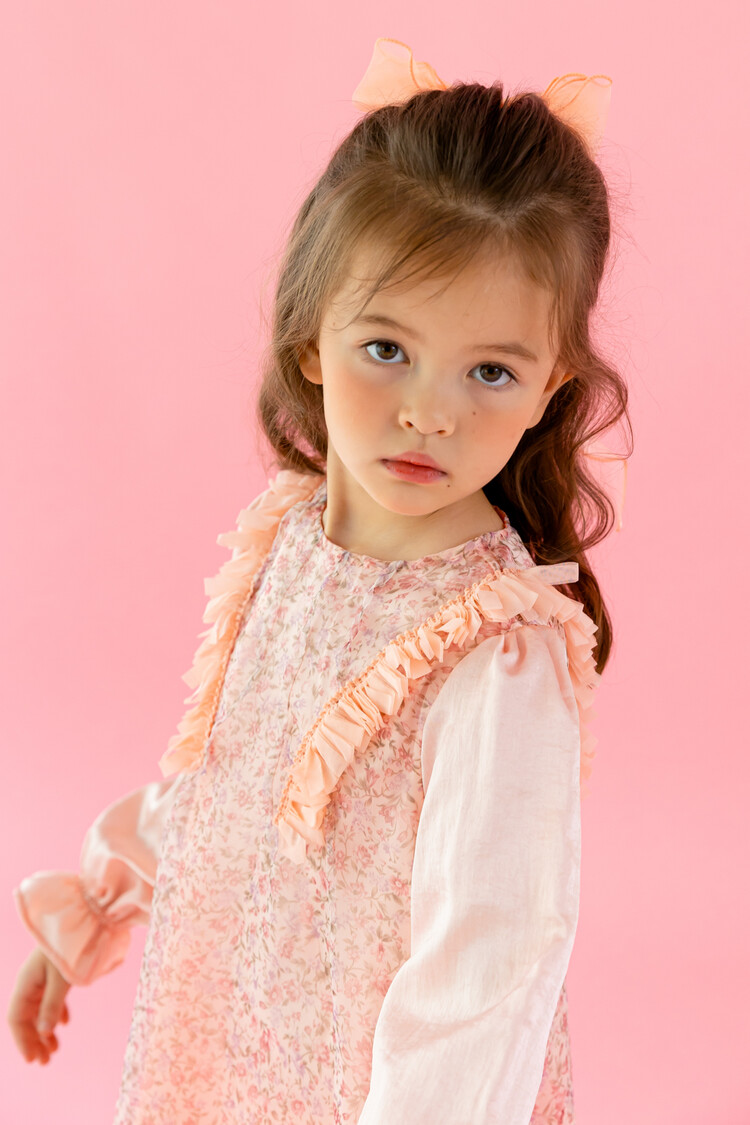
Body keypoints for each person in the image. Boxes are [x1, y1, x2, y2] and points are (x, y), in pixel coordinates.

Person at [7, 37, 632, 1125]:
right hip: (236, 1067)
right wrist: (97, 911)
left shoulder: (496, 650)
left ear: (549, 388)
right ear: (310, 339)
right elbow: (235, 791)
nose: (430, 412)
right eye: (387, 349)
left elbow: (487, 976)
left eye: (490, 370)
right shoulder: (291, 543)